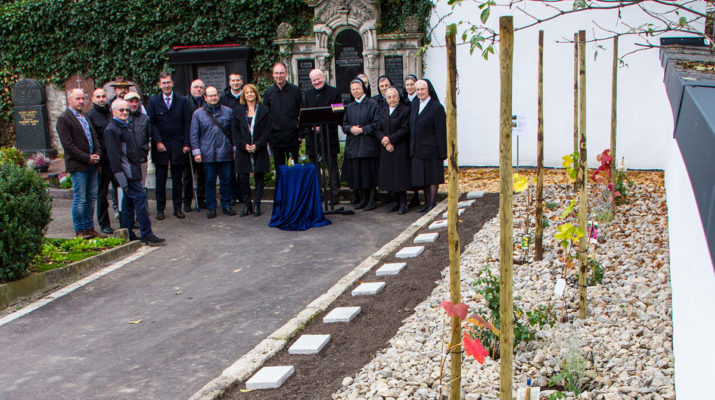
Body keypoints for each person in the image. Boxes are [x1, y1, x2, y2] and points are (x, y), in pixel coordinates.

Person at [104, 100, 164, 246]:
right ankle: (146, 233)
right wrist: (122, 179)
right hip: (127, 173)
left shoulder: (125, 126)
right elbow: (115, 157)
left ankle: (127, 232)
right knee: (140, 200)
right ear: (114, 112)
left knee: (128, 203)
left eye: (126, 110)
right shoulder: (112, 129)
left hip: (133, 170)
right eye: (121, 110)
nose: (125, 112)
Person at [57, 88, 104, 239]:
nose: (81, 101)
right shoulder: (64, 119)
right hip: (79, 165)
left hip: (92, 163)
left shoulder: (85, 116)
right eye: (77, 99)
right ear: (69, 100)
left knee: (91, 197)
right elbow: (68, 145)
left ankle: (89, 227)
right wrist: (86, 157)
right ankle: (80, 230)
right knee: (80, 197)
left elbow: (93, 137)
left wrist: (97, 154)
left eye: (83, 98)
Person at [147, 72, 192, 220]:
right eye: (163, 83)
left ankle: (178, 208)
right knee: (160, 178)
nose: (166, 85)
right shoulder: (153, 101)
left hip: (178, 145)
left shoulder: (182, 101)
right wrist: (158, 141)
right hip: (161, 145)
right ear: (160, 85)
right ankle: (160, 209)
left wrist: (186, 143)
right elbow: (151, 123)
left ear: (172, 83)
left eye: (168, 82)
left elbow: (187, 123)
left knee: (178, 178)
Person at [190, 86, 236, 219]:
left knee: (226, 180)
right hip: (208, 154)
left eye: (215, 95)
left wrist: (234, 149)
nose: (213, 98)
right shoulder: (198, 114)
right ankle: (211, 207)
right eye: (210, 96)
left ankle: (226, 205)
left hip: (225, 153)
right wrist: (196, 152)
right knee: (209, 181)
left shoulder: (228, 112)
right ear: (205, 98)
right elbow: (194, 134)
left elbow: (233, 132)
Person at [303, 68, 342, 205]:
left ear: (323, 77)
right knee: (314, 168)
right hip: (313, 137)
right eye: (313, 80)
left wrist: (324, 123)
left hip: (329, 135)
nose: (316, 82)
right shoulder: (307, 95)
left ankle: (335, 196)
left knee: (332, 168)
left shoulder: (334, 92)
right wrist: (313, 125)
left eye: (318, 79)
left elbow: (338, 112)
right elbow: (305, 114)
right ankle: (317, 196)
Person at [232, 84, 271, 217]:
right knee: (243, 177)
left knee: (259, 177)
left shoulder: (264, 110)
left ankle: (257, 205)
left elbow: (267, 130)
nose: (249, 94)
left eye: (252, 92)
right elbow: (235, 131)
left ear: (256, 94)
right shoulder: (237, 111)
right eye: (247, 92)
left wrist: (258, 144)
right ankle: (247, 205)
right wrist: (243, 145)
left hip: (259, 148)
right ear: (243, 95)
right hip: (243, 150)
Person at [342, 78, 380, 211]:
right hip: (354, 146)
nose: (355, 91)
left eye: (357, 88)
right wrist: (350, 129)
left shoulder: (372, 104)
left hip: (368, 146)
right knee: (358, 175)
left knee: (369, 175)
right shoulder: (350, 106)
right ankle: (363, 199)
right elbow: (344, 124)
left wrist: (363, 130)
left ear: (363, 88)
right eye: (353, 89)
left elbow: (377, 123)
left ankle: (371, 200)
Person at [410, 79, 446, 213]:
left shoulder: (436, 107)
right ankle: (426, 203)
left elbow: (441, 131)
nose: (419, 92)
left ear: (428, 89)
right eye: (417, 89)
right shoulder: (415, 104)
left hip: (432, 149)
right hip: (418, 149)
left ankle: (432, 203)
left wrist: (443, 152)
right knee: (423, 178)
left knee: (432, 178)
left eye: (422, 89)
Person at [377, 87, 411, 214]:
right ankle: (395, 202)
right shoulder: (382, 110)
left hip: (399, 147)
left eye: (394, 97)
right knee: (389, 176)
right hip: (385, 148)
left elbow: (405, 129)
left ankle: (403, 203)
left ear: (398, 97)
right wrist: (383, 140)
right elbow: (377, 128)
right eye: (389, 97)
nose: (391, 99)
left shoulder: (405, 110)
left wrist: (390, 139)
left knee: (399, 176)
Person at [87, 88, 117, 235]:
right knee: (102, 193)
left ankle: (126, 219)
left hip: (115, 159)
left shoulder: (111, 113)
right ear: (93, 99)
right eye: (98, 97)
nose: (101, 99)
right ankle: (104, 223)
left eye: (103, 96)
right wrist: (97, 162)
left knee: (121, 191)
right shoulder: (91, 116)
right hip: (103, 160)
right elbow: (92, 140)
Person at [263, 62, 302, 169]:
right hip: (275, 138)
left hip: (292, 137)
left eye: (281, 73)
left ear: (286, 74)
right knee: (279, 168)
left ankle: (294, 186)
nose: (279, 76)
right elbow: (265, 116)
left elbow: (301, 112)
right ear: (273, 74)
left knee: (293, 168)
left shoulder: (295, 91)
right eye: (276, 73)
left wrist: (300, 134)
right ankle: (281, 186)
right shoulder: (268, 93)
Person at [184, 79, 207, 210]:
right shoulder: (185, 102)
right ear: (191, 89)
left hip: (204, 144)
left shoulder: (206, 102)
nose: (198, 89)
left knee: (203, 174)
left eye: (201, 87)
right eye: (196, 87)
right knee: (188, 175)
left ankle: (201, 198)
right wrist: (186, 144)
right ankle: (187, 202)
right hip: (189, 144)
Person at [401, 74, 422, 208]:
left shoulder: (419, 99)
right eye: (407, 84)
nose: (409, 87)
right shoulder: (403, 100)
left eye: (411, 84)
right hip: (404, 139)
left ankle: (417, 195)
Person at [125, 92, 151, 181]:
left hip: (141, 157)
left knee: (141, 185)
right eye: (131, 102)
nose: (134, 104)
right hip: (126, 159)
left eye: (136, 101)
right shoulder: (122, 118)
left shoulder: (145, 118)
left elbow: (147, 136)